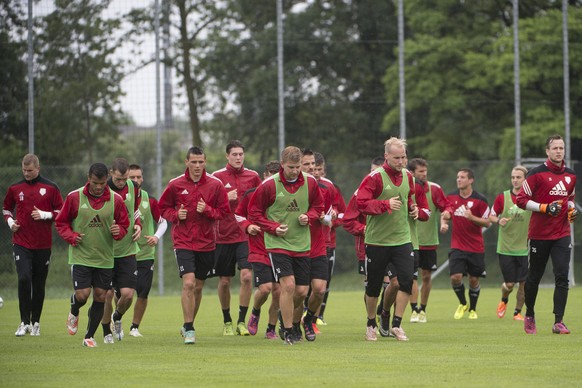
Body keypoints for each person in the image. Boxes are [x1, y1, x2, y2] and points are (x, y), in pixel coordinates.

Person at [248, 146, 324, 345]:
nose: (295, 171)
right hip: (277, 244)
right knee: (288, 286)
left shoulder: (310, 183)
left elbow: (318, 207)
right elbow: (254, 213)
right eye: (291, 167)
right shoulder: (269, 185)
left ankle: (285, 316)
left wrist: (309, 216)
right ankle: (288, 330)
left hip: (302, 244)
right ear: (282, 165)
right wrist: (273, 227)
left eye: (298, 167)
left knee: (301, 292)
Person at [158, 146, 230, 344]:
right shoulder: (175, 184)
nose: (197, 166)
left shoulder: (215, 185)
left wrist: (207, 210)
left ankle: (187, 324)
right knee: (188, 283)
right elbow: (163, 208)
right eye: (194, 162)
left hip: (207, 243)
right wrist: (175, 215)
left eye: (201, 162)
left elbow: (223, 212)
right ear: (186, 162)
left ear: (205, 162)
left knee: (198, 287)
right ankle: (190, 328)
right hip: (183, 241)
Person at [56, 163, 130, 347]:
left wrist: (118, 231)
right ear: (89, 178)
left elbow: (124, 225)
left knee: (100, 295)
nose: (99, 187)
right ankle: (74, 308)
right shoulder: (74, 197)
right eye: (96, 182)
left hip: (104, 258)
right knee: (82, 295)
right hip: (81, 256)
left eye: (103, 183)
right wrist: (71, 236)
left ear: (107, 180)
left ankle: (89, 336)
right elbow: (61, 223)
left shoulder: (116, 200)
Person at [356, 137, 422, 342]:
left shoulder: (408, 177)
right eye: (397, 158)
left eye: (403, 157)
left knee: (406, 281)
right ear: (386, 156)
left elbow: (409, 197)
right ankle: (370, 324)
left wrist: (413, 208)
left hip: (402, 239)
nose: (401, 161)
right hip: (377, 241)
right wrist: (384, 205)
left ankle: (396, 324)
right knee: (374, 286)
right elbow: (361, 203)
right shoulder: (374, 178)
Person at [516, 134, 577, 335]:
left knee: (562, 276)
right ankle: (530, 314)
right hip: (539, 235)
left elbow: (569, 199)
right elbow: (521, 200)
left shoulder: (570, 175)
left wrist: (571, 209)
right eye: (555, 148)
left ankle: (558, 321)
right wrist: (543, 207)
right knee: (534, 277)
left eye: (562, 148)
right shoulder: (535, 174)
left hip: (561, 233)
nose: (559, 151)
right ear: (547, 151)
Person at [3, 154, 64, 337]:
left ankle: (36, 322)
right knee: (23, 278)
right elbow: (6, 208)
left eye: (30, 170)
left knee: (38, 284)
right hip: (21, 242)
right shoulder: (15, 188)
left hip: (43, 244)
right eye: (24, 170)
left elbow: (61, 211)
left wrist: (45, 215)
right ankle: (24, 322)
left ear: (38, 169)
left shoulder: (51, 187)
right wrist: (10, 222)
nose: (26, 173)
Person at [212, 140, 262, 336]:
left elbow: (260, 201)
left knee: (247, 276)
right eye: (234, 154)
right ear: (227, 156)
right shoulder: (216, 178)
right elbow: (207, 205)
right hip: (223, 236)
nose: (238, 158)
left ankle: (242, 321)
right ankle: (227, 321)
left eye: (241, 154)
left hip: (244, 235)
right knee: (224, 281)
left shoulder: (253, 177)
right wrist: (225, 197)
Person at [236, 160, 281, 340]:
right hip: (259, 248)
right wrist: (247, 226)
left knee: (278, 291)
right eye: (270, 176)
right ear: (264, 176)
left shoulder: (285, 195)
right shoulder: (251, 194)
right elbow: (238, 215)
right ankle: (255, 312)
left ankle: (271, 328)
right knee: (265, 288)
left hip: (279, 247)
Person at [101, 158, 142, 343]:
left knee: (127, 294)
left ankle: (116, 317)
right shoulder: (101, 188)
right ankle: (106, 331)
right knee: (108, 293)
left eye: (124, 179)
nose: (122, 182)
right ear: (111, 173)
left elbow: (135, 210)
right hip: (106, 250)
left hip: (127, 249)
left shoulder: (133, 187)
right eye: (118, 179)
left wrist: (138, 225)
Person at [407, 158, 452, 323]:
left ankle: (423, 310)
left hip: (429, 241)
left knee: (426, 276)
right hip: (409, 241)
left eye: (425, 171)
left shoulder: (435, 189)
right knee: (412, 277)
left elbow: (446, 207)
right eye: (420, 171)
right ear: (412, 173)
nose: (424, 174)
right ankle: (413, 310)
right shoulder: (405, 187)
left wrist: (446, 215)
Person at [442, 168, 490, 320]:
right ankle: (463, 304)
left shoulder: (480, 200)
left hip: (475, 247)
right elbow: (445, 213)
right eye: (457, 177)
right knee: (455, 277)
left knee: (473, 279)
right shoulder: (450, 197)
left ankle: (473, 309)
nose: (459, 180)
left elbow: (487, 222)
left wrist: (472, 217)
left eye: (462, 177)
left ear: (471, 180)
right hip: (457, 246)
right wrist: (444, 222)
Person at [127, 164, 168, 337]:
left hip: (145, 254)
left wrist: (156, 237)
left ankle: (134, 327)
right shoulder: (117, 199)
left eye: (138, 177)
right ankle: (117, 317)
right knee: (123, 293)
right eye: (132, 177)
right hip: (125, 253)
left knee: (143, 292)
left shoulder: (150, 200)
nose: (135, 180)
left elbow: (163, 222)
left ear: (142, 179)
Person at [297, 150, 333, 341]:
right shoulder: (291, 188)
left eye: (313, 164)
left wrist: (326, 217)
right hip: (296, 245)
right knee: (298, 292)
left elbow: (328, 218)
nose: (311, 167)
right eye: (306, 164)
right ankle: (290, 324)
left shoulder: (326, 188)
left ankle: (308, 320)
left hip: (318, 244)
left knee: (319, 289)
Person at [489, 166, 531, 321]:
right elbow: (491, 216)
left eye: (518, 177)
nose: (515, 180)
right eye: (513, 177)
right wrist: (499, 220)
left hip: (524, 249)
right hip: (506, 249)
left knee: (524, 283)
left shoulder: (531, 199)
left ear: (525, 180)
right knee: (510, 284)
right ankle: (504, 299)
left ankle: (517, 312)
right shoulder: (502, 197)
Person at [311, 151, 346, 326]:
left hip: (327, 241)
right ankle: (303, 315)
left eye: (319, 169)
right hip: (305, 241)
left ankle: (318, 316)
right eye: (313, 168)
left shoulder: (330, 187)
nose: (316, 172)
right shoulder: (303, 185)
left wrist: (333, 218)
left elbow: (342, 213)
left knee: (324, 281)